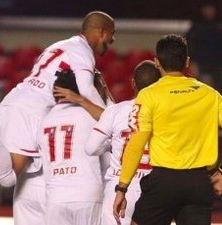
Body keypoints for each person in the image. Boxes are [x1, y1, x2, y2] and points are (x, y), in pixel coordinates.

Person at [0, 11, 115, 225]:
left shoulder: (59, 46)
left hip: (14, 100)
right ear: (101, 31)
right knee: (7, 178)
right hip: (32, 110)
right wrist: (111, 120)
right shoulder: (82, 51)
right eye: (111, 35)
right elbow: (87, 89)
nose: (112, 41)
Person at [113, 34, 222, 225]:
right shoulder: (210, 95)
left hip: (164, 182)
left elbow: (136, 144)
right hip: (199, 183)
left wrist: (122, 188)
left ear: (157, 62)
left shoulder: (148, 95)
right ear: (187, 61)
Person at [86, 60, 160, 225]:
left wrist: (112, 143)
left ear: (133, 83)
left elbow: (91, 148)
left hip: (118, 185)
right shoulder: (167, 114)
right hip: (152, 188)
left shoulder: (115, 111)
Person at [38, 69, 104, 225]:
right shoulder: (90, 116)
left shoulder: (43, 120)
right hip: (87, 194)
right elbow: (115, 122)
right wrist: (83, 101)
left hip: (55, 197)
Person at [185, 2, 222, 93]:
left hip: (217, 67)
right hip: (200, 67)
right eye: (207, 9)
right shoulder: (195, 28)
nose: (210, 12)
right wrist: (193, 63)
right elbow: (189, 46)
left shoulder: (218, 27)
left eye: (211, 9)